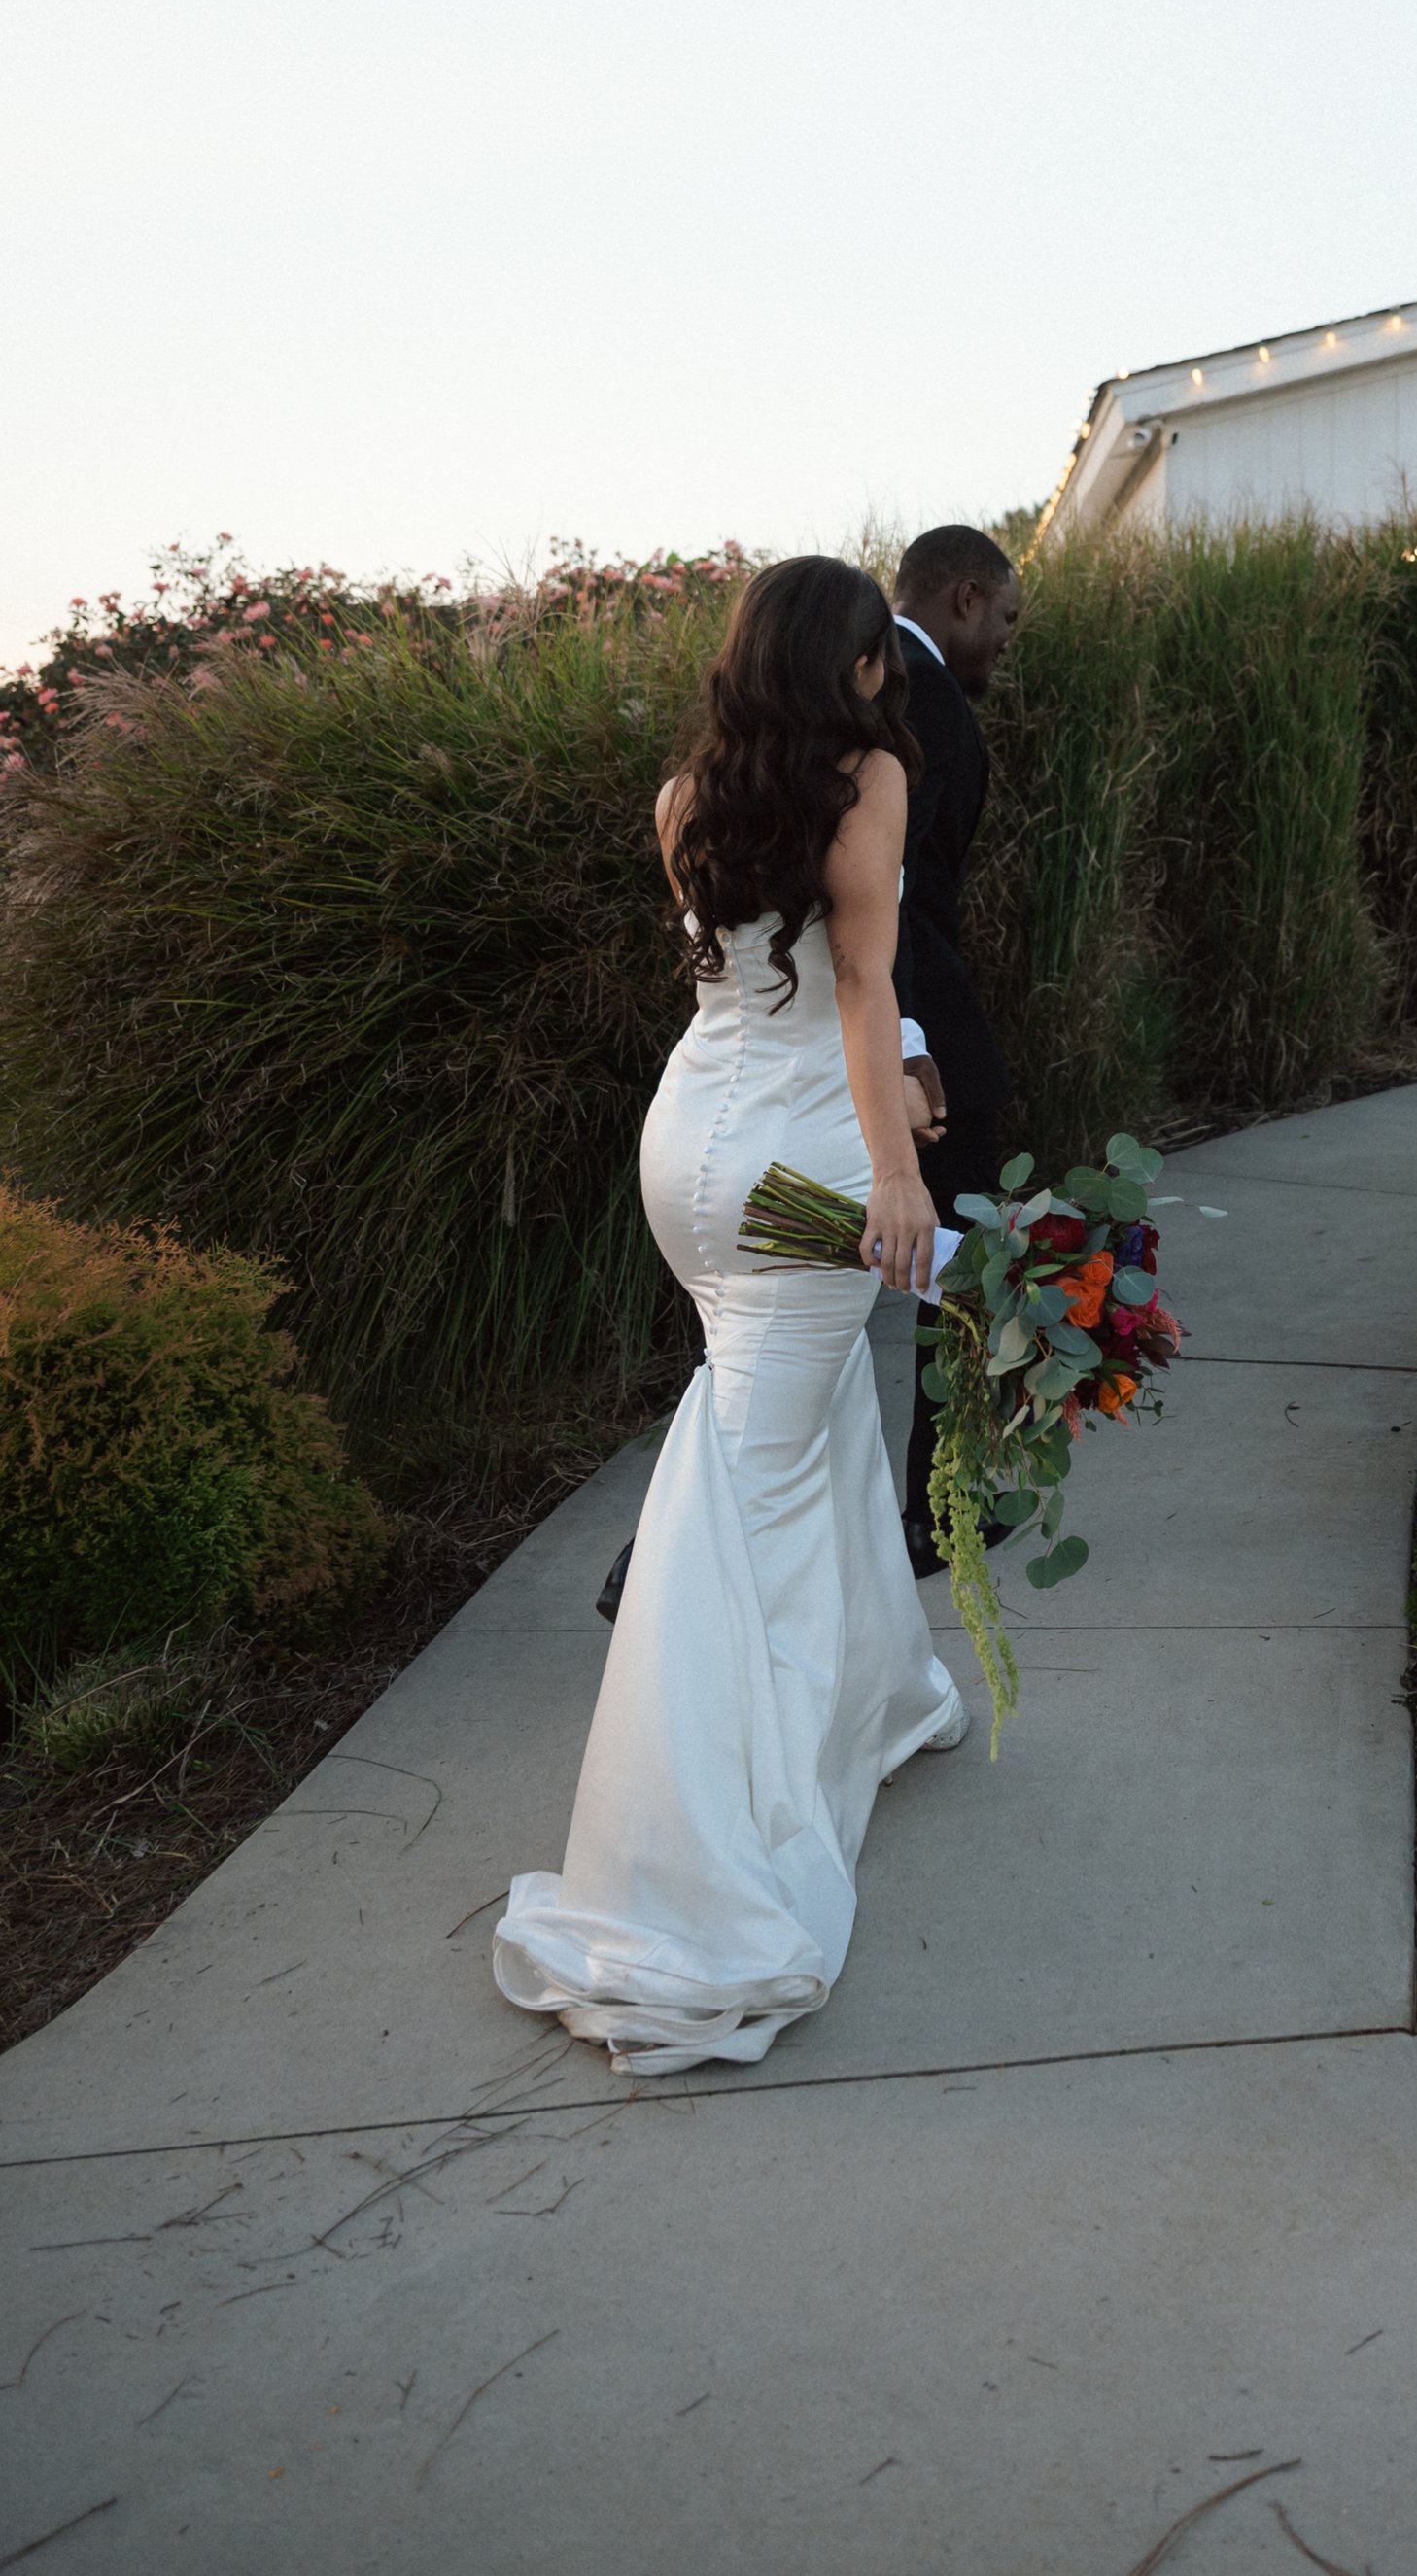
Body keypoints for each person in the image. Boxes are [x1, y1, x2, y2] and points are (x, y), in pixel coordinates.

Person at [495, 559, 968, 2075]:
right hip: (803, 1173)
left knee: (814, 1417)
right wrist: (898, 1170)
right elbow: (859, 983)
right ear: (850, 664)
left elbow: (763, 984)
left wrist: (889, 1093)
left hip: (689, 1153)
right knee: (745, 1477)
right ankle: (682, 1882)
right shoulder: (868, 778)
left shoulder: (683, 797)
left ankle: (879, 1700)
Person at [889, 524, 1023, 1574]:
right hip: (910, 1027)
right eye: (1006, 620)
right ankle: (947, 1504)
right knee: (968, 1255)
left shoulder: (838, 684)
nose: (1004, 645)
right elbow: (888, 895)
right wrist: (906, 1046)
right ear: (966, 596)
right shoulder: (925, 705)